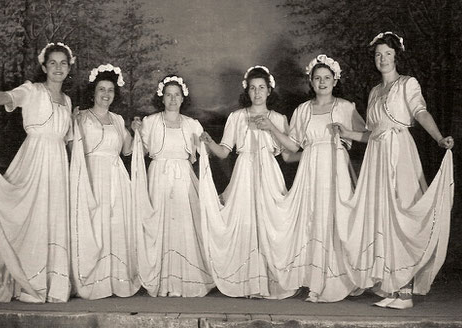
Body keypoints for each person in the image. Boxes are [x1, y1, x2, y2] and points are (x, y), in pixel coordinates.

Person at [333, 32, 454, 309]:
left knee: (402, 214)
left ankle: (406, 290)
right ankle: (392, 285)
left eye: (387, 53)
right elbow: (371, 133)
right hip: (377, 157)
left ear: (396, 56)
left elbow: (420, 112)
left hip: (399, 153)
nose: (382, 59)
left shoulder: (407, 84)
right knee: (383, 218)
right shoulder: (375, 92)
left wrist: (437, 138)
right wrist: (346, 132)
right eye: (378, 55)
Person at [0, 42, 75, 303]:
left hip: (58, 163)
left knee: (53, 217)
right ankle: (30, 284)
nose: (58, 68)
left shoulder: (68, 101)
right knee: (31, 216)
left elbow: (68, 138)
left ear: (69, 68)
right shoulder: (33, 90)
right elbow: (6, 97)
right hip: (34, 158)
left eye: (63, 63)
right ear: (44, 66)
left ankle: (53, 284)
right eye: (53, 63)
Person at [254, 55, 365, 302]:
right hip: (311, 168)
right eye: (317, 78)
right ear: (311, 82)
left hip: (336, 169)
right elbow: (293, 147)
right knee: (313, 220)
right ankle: (314, 282)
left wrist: (347, 133)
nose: (322, 82)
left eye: (327, 78)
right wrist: (272, 129)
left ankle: (337, 280)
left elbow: (369, 136)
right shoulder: (302, 110)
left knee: (336, 219)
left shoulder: (346, 107)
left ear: (335, 80)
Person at [199, 66, 296, 299]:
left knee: (269, 222)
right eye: (253, 88)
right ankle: (247, 282)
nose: (257, 93)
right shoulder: (236, 117)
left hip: (269, 176)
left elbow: (290, 150)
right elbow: (224, 152)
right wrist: (209, 142)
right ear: (247, 91)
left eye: (262, 88)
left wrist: (271, 127)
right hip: (244, 174)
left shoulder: (278, 118)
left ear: (269, 90)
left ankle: (269, 282)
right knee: (245, 222)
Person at [131, 75, 214, 297]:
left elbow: (201, 152)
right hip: (158, 177)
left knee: (184, 225)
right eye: (168, 95)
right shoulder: (150, 122)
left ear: (183, 97)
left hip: (183, 179)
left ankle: (185, 280)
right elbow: (137, 148)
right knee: (160, 225)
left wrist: (204, 142)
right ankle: (161, 280)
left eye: (177, 95)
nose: (173, 99)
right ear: (162, 97)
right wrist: (136, 130)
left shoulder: (191, 124)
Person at [69, 64, 140, 299]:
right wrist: (72, 122)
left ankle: (115, 281)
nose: (106, 94)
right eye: (101, 89)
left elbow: (127, 150)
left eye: (110, 90)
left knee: (114, 226)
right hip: (90, 175)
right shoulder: (82, 116)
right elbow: (72, 147)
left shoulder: (118, 120)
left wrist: (136, 131)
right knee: (94, 226)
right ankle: (92, 281)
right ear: (94, 92)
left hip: (116, 178)